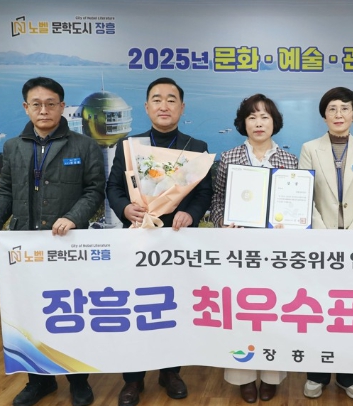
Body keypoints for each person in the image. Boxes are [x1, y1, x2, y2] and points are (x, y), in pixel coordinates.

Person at [0, 77, 104, 406]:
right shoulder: (13, 147)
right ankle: (39, 381)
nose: (44, 110)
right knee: (29, 315)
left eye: (51, 104)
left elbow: (95, 190)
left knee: (71, 313)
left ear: (62, 107)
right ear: (26, 108)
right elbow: (6, 192)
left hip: (67, 246)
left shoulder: (84, 146)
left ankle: (78, 380)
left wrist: (73, 217)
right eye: (36, 104)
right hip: (25, 248)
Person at [106, 77, 213, 406]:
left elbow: (204, 192)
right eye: (157, 99)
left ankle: (170, 372)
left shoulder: (196, 147)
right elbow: (114, 188)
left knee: (174, 306)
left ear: (182, 107)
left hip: (177, 242)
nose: (164, 105)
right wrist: (125, 208)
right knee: (137, 307)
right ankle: (133, 379)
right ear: (146, 107)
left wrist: (191, 214)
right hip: (139, 238)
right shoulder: (130, 145)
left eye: (171, 99)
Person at [210, 94, 296, 402]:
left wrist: (292, 225)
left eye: (265, 117)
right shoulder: (229, 157)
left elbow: (296, 203)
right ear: (243, 123)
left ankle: (272, 374)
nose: (259, 123)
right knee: (242, 312)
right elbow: (217, 199)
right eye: (252, 117)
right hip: (239, 250)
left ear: (275, 123)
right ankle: (243, 376)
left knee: (274, 312)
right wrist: (222, 223)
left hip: (275, 252)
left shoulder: (289, 159)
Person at [298, 87, 353, 400]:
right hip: (320, 242)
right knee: (319, 309)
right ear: (324, 115)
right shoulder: (310, 148)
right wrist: (325, 234)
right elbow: (305, 194)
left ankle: (349, 376)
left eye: (345, 108)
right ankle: (316, 374)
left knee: (351, 310)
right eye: (332, 108)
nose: (338, 114)